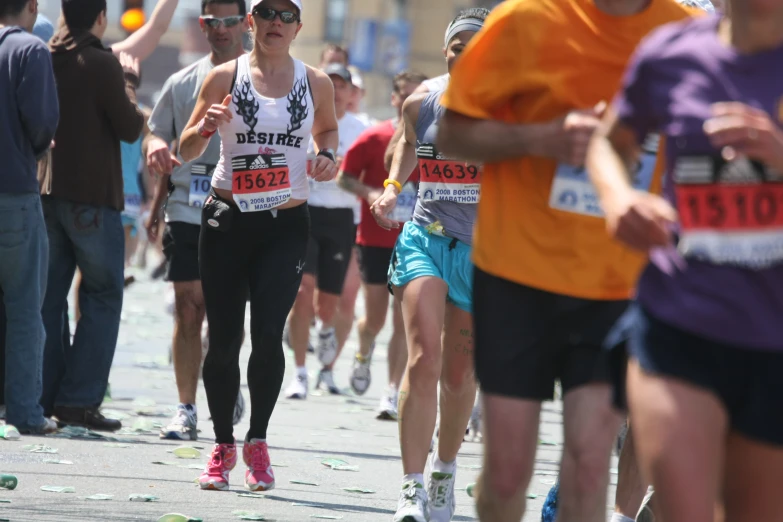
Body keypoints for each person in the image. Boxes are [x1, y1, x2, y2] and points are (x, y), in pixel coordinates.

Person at [435, 1, 694, 521]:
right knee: (508, 470)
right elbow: (453, 133)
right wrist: (542, 137)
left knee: (589, 461)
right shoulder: (525, 18)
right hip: (515, 274)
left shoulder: (683, 33)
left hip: (616, 285)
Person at [587, 0, 783, 519]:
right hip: (680, 317)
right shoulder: (671, 53)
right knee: (684, 506)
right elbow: (610, 144)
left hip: (775, 336)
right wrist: (618, 199)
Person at [179, 0, 339, 491]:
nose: (276, 22)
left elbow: (327, 130)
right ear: (251, 23)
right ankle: (223, 444)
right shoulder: (224, 77)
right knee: (225, 339)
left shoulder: (316, 82)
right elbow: (185, 149)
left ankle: (258, 442)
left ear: (298, 28)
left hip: (285, 224)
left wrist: (327, 154)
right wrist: (206, 126)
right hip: (228, 221)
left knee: (269, 334)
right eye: (267, 12)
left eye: (286, 16)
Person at [370, 9, 488, 521]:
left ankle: (444, 469)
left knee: (461, 377)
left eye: (476, 46)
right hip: (427, 236)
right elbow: (405, 149)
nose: (465, 54)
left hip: (485, 251)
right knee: (423, 361)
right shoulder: (422, 100)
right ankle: (412, 487)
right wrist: (392, 188)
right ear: (446, 51)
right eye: (457, 46)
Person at [145, 0, 250, 441]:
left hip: (246, 211)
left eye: (229, 21)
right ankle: (186, 408)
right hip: (188, 208)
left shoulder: (265, 80)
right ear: (201, 24)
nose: (220, 29)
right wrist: (154, 146)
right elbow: (157, 130)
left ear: (245, 23)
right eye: (212, 22)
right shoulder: (181, 80)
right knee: (189, 306)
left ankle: (223, 372)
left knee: (224, 317)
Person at [41, 0, 144, 432]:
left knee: (48, 299)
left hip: (49, 195)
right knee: (102, 295)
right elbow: (130, 127)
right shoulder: (102, 62)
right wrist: (130, 82)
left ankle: (43, 395)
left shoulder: (46, 56)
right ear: (101, 18)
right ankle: (79, 401)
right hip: (94, 201)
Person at [337, 70, 427, 418]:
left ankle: (391, 391)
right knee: (374, 319)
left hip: (415, 239)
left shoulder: (434, 139)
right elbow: (344, 178)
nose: (409, 101)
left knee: (404, 321)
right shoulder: (374, 136)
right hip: (375, 239)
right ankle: (363, 350)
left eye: (415, 94)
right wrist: (371, 192)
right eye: (403, 94)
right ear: (393, 98)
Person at [284, 63, 368, 399]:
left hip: (343, 217)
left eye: (341, 86)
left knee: (328, 304)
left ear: (350, 93)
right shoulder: (300, 119)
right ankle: (300, 372)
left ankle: (325, 356)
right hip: (305, 212)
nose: (335, 92)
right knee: (302, 292)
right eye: (329, 84)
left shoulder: (362, 128)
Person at [0, 0, 59, 434]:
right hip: (13, 191)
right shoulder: (30, 50)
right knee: (24, 307)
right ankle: (23, 411)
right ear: (32, 7)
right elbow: (42, 122)